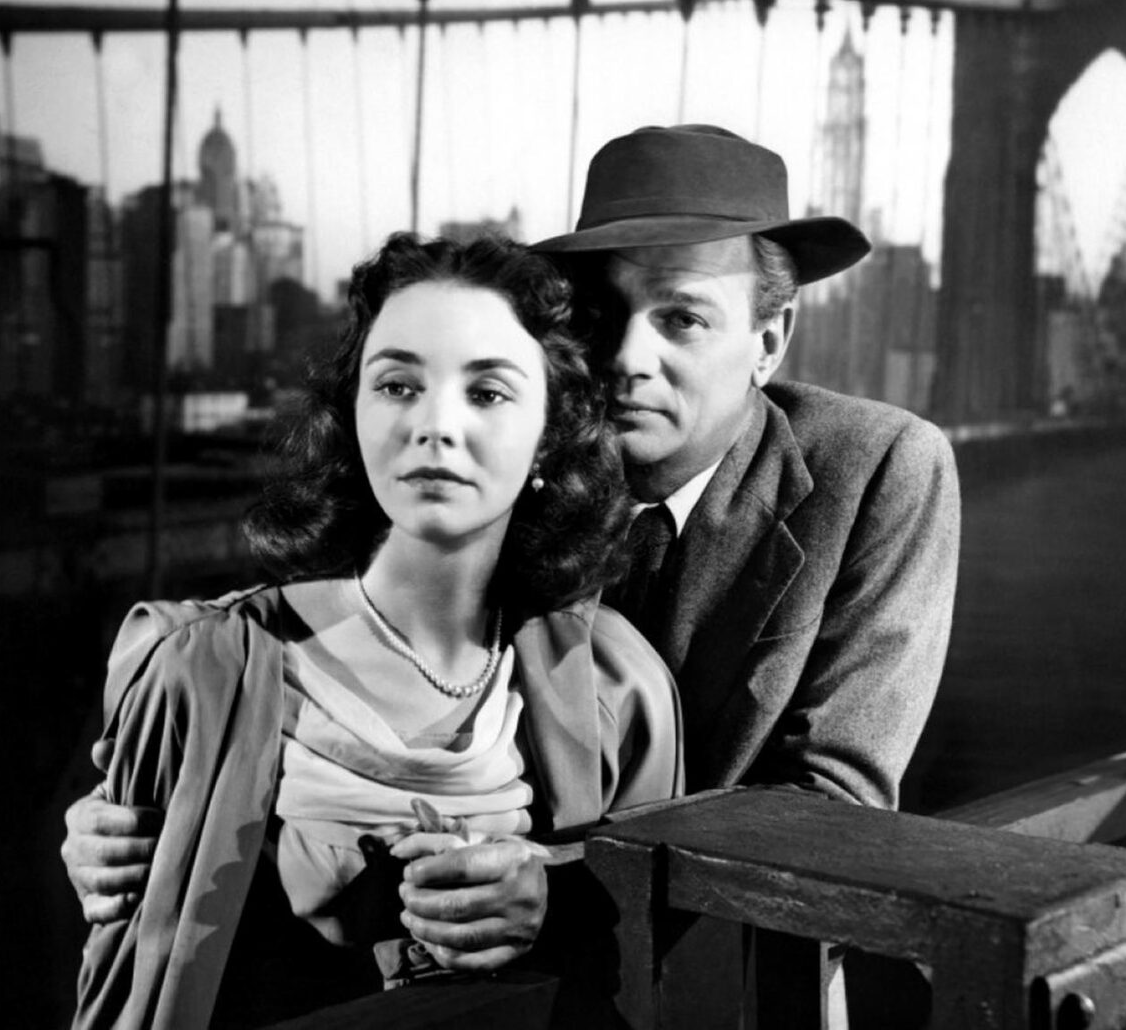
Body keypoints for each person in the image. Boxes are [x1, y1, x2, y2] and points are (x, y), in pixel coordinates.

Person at [65, 124, 959, 976]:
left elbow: (835, 812)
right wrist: (151, 817)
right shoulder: (512, 450)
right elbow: (333, 655)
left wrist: (569, 886)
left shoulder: (880, 468)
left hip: (735, 979)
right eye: (604, 315)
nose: (627, 358)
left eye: (682, 319)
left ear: (769, 340)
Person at [70, 232, 682, 1029]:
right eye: (397, 386)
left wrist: (557, 896)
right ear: (353, 413)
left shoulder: (612, 683)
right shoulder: (204, 667)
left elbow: (659, 957)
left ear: (548, 436)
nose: (436, 425)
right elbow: (127, 980)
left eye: (488, 393)